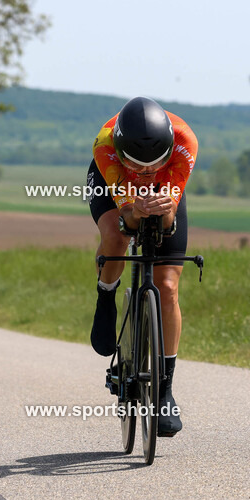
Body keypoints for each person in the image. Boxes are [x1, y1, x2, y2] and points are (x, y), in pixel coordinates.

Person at [86, 96, 198, 437]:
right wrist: (134, 210)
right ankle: (106, 294)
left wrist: (164, 209)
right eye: (138, 164)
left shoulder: (185, 141)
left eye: (154, 163)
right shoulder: (105, 144)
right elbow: (126, 220)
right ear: (123, 152)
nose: (146, 171)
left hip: (166, 187)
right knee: (116, 237)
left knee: (168, 287)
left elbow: (169, 220)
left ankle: (165, 391)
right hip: (116, 186)